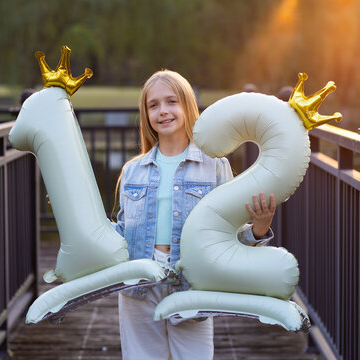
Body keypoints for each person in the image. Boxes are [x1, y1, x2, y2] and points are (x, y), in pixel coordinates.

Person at [111, 69, 276, 360]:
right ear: (145, 113)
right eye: (153, 105)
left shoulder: (214, 166)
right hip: (138, 286)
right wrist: (71, 213)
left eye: (171, 102)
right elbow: (120, 234)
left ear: (187, 106)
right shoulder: (132, 170)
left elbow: (226, 236)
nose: (163, 111)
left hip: (191, 284)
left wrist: (258, 230)